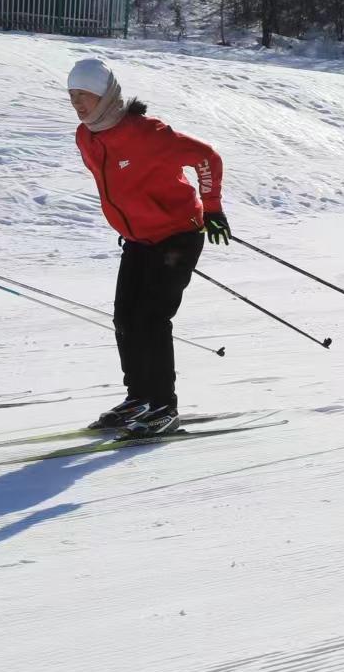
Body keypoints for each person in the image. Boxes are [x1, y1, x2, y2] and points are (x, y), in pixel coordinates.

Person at [68, 57, 227, 436]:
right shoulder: (86, 137)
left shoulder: (148, 133)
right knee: (125, 318)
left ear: (106, 95)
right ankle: (139, 397)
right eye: (72, 95)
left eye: (84, 95)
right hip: (138, 240)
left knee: (151, 320)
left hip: (177, 235)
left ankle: (164, 406)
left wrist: (212, 207)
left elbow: (206, 157)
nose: (77, 103)